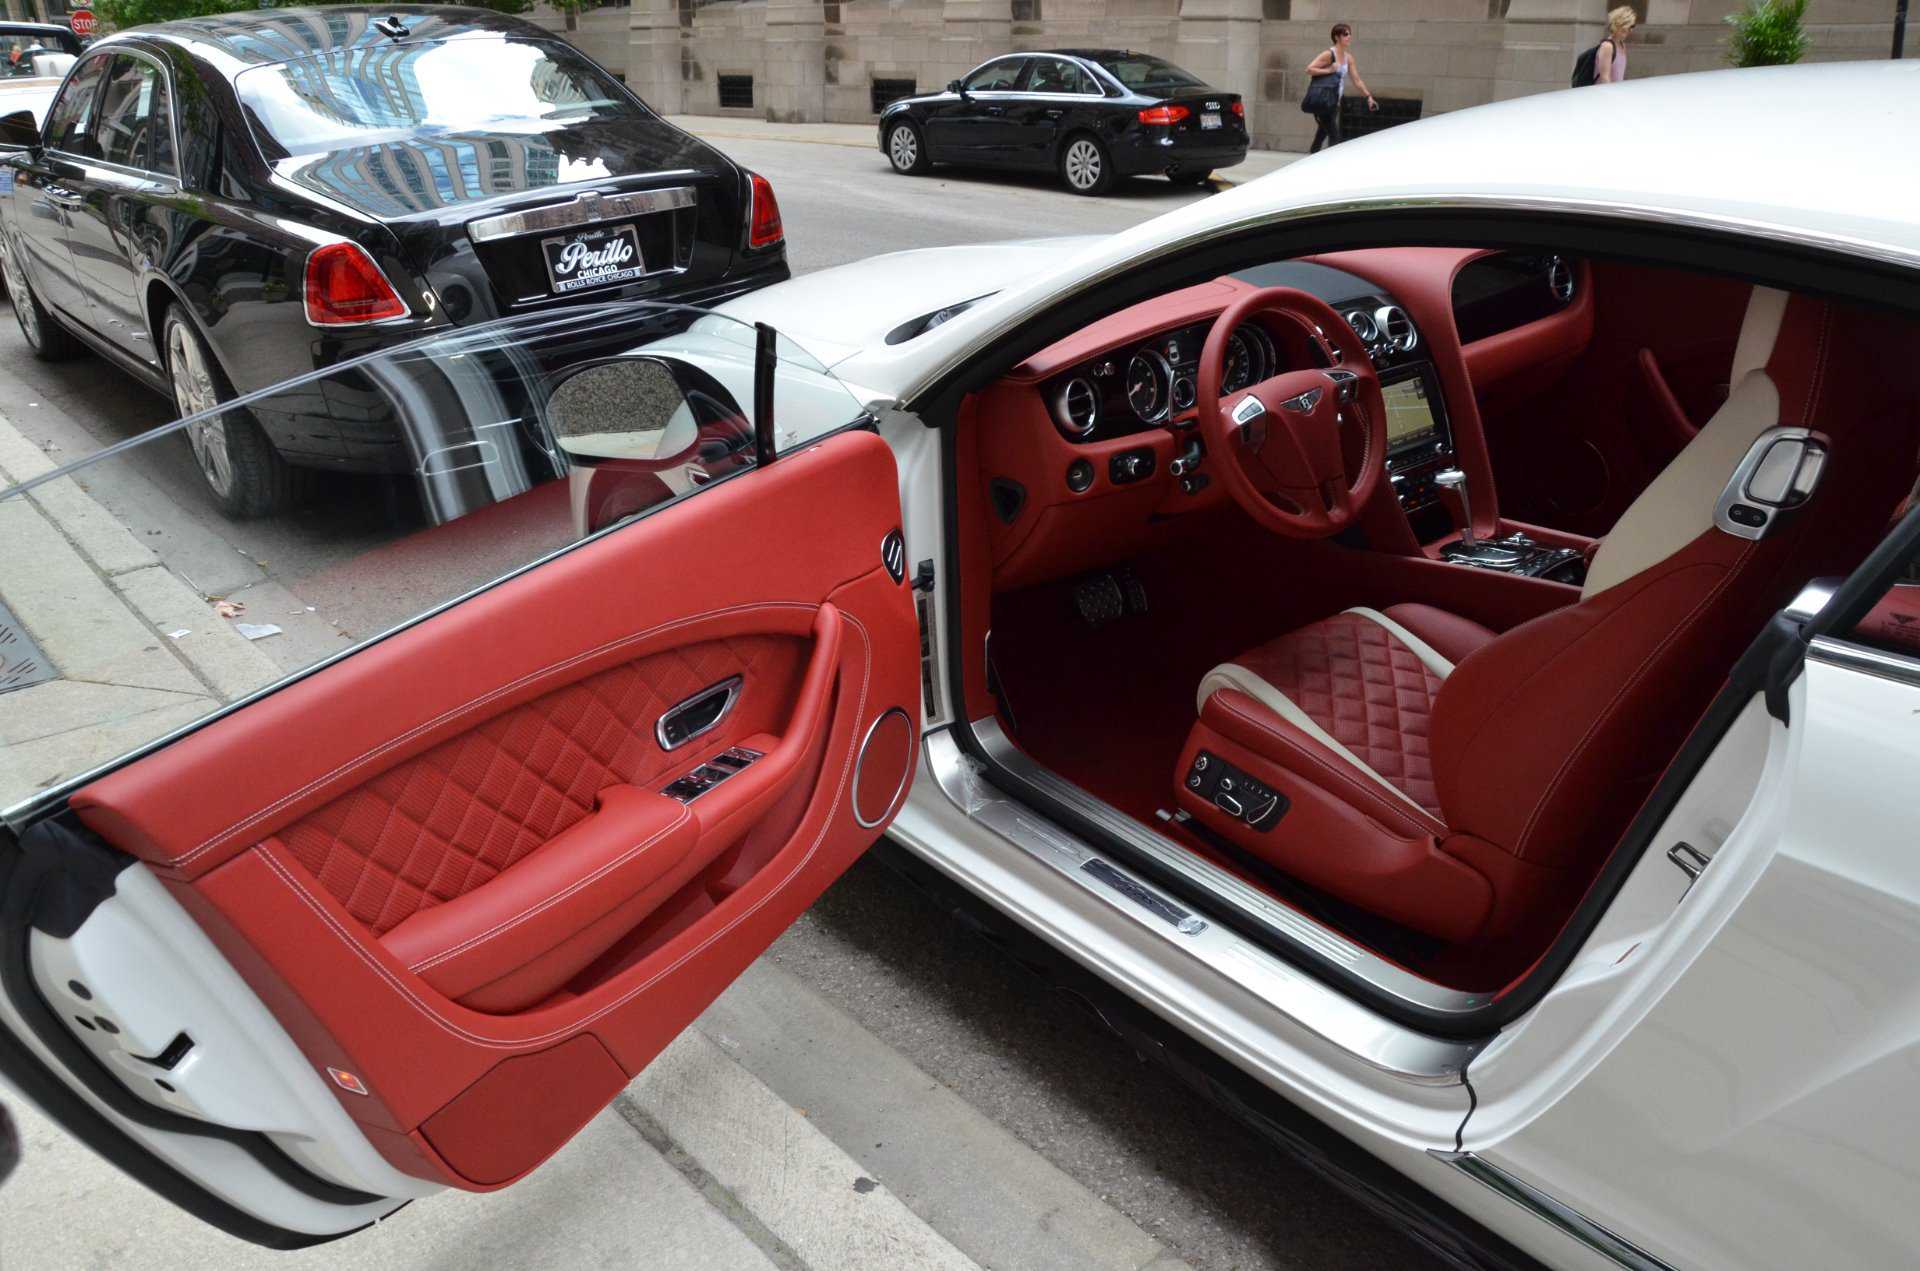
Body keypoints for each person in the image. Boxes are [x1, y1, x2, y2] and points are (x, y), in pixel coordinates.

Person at [1304, 23, 1378, 153]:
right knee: (1335, 136)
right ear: (1337, 37)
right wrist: (1329, 70)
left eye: (1349, 34)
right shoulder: (1328, 54)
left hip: (1335, 103)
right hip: (1324, 101)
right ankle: (1330, 162)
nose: (1349, 37)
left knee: (1321, 134)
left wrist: (1368, 96)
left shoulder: (1348, 58)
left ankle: (1311, 158)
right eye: (1345, 34)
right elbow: (1309, 69)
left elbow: (1357, 80)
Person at [1592, 7, 1637, 84]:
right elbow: (1604, 77)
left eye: (1632, 26)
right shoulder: (1607, 46)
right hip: (1605, 90)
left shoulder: (1622, 45)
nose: (1631, 30)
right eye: (1629, 26)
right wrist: (1612, 92)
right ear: (1618, 24)